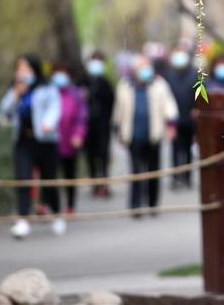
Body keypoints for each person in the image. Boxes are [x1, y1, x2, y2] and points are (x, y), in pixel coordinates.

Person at [0, 54, 65, 238]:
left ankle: (57, 215)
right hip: (23, 141)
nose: (22, 72)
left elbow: (55, 108)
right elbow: (5, 111)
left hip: (45, 141)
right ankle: (23, 220)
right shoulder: (17, 90)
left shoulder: (47, 88)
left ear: (34, 69)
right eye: (19, 68)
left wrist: (48, 123)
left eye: (25, 68)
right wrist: (16, 94)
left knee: (49, 181)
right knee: (23, 179)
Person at [112, 54, 178, 215]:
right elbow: (118, 110)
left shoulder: (159, 84)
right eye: (141, 67)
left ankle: (152, 204)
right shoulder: (125, 85)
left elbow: (169, 105)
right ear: (134, 70)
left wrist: (171, 125)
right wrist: (118, 130)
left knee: (153, 171)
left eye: (146, 66)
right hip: (132, 136)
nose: (144, 70)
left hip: (153, 136)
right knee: (136, 171)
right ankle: (136, 206)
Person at [51, 63, 88, 214]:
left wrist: (78, 134)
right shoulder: (49, 93)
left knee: (69, 175)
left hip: (70, 142)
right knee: (51, 176)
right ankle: (52, 205)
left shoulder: (75, 94)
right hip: (51, 143)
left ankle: (70, 205)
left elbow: (82, 117)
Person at [164, 46, 197, 188]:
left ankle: (187, 177)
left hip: (190, 119)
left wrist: (197, 109)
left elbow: (201, 95)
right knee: (175, 149)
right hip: (174, 120)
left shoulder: (194, 75)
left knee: (188, 150)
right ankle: (176, 177)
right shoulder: (168, 75)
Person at [83, 51, 114, 197]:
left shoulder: (106, 83)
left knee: (103, 155)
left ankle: (105, 184)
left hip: (103, 126)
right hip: (87, 127)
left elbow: (112, 103)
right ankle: (95, 184)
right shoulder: (83, 81)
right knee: (90, 156)